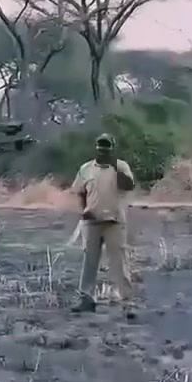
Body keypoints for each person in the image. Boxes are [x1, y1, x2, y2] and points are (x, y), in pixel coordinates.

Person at [71, 133, 135, 314]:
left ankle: (127, 301)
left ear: (112, 148)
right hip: (92, 222)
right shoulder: (86, 168)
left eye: (107, 146)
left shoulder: (121, 166)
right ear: (96, 147)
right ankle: (86, 299)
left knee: (119, 261)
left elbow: (129, 185)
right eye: (100, 146)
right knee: (89, 261)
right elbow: (80, 191)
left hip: (114, 221)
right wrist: (84, 210)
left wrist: (114, 165)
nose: (103, 149)